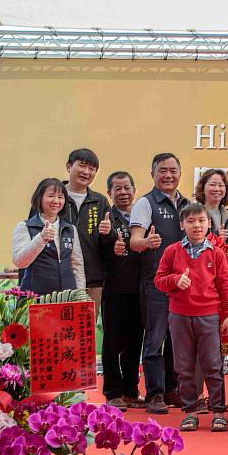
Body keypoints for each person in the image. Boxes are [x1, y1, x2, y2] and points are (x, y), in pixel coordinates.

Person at [154, 203, 228, 432]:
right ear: (182, 225)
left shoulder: (216, 253)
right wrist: (176, 281)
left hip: (209, 316)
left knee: (213, 365)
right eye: (191, 221)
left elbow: (225, 286)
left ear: (209, 224)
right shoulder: (172, 251)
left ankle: (219, 410)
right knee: (184, 366)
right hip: (179, 316)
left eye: (201, 220)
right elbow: (159, 280)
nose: (196, 225)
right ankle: (190, 411)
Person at [130, 153, 189, 414]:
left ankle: (171, 389)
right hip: (157, 283)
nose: (168, 175)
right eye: (162, 170)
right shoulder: (145, 203)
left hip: (184, 284)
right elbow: (134, 242)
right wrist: (147, 243)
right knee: (154, 340)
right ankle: (153, 393)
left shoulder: (187, 203)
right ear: (153, 174)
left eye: (173, 170)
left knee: (177, 338)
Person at [100, 172, 144, 411]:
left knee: (135, 342)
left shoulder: (141, 216)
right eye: (118, 189)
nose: (123, 192)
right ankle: (112, 392)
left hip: (139, 289)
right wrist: (109, 244)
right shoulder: (107, 219)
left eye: (127, 187)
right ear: (110, 193)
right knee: (112, 343)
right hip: (114, 289)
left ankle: (130, 391)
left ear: (134, 189)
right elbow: (99, 251)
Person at [13, 178, 86, 295]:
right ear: (39, 197)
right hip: (36, 297)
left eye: (61, 197)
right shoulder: (24, 227)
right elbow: (20, 262)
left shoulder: (70, 229)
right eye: (51, 196)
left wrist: (80, 294)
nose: (56, 201)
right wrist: (41, 238)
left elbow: (77, 265)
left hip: (66, 297)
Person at [62, 149, 111, 305]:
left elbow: (110, 243)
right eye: (82, 166)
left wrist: (108, 233)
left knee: (85, 327)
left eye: (92, 169)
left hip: (92, 280)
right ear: (69, 167)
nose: (86, 172)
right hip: (58, 278)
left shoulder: (100, 201)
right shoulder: (53, 197)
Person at [194, 168, 228, 242]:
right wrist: (216, 238)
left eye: (221, 185)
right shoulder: (193, 213)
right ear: (202, 188)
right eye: (212, 185)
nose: (217, 189)